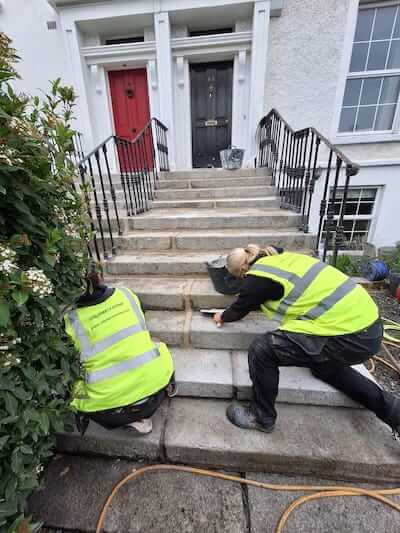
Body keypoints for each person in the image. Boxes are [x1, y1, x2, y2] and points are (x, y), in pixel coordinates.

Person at [213, 244, 400, 440]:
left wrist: (221, 316)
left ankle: (261, 416)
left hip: (349, 335)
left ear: (242, 271)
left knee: (263, 350)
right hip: (368, 324)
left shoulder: (257, 280)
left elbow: (239, 308)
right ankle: (394, 412)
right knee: (323, 366)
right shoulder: (280, 258)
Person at [64, 266, 175, 436]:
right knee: (157, 346)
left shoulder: (69, 320)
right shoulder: (126, 294)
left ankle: (132, 415)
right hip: (156, 388)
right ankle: (164, 390)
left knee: (71, 387)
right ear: (99, 277)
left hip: (109, 408)